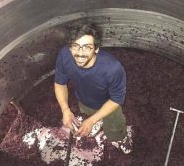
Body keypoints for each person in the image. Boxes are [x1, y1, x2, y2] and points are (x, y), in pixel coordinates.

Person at [54, 23, 132, 154]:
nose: (80, 53)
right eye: (75, 46)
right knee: (87, 112)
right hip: (83, 99)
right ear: (70, 47)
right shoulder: (64, 55)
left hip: (109, 105)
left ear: (96, 49)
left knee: (115, 127)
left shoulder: (112, 68)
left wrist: (91, 121)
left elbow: (116, 100)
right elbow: (60, 83)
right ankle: (94, 119)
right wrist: (65, 110)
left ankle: (120, 138)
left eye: (87, 47)